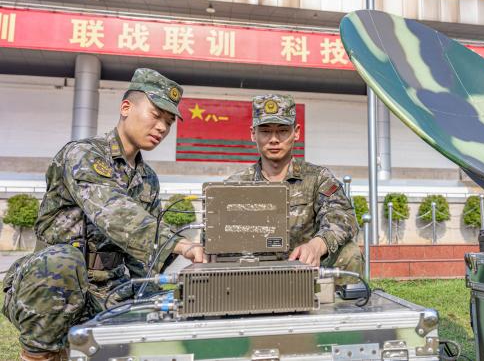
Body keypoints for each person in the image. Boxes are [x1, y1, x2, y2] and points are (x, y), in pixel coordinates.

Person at [2, 68, 206, 361]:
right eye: (155, 114)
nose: (162, 127)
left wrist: (148, 304)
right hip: (55, 286)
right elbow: (113, 211)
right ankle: (39, 356)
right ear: (126, 108)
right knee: (62, 262)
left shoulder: (147, 179)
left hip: (109, 289)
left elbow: (142, 261)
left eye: (169, 122)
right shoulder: (83, 155)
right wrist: (182, 243)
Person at [226, 94, 363, 281]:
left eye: (282, 130)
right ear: (253, 134)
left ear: (296, 132)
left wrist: (317, 245)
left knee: (349, 253)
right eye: (265, 131)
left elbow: (342, 217)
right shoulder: (235, 184)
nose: (274, 139)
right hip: (251, 274)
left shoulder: (317, 178)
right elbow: (212, 236)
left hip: (305, 270)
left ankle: (341, 307)